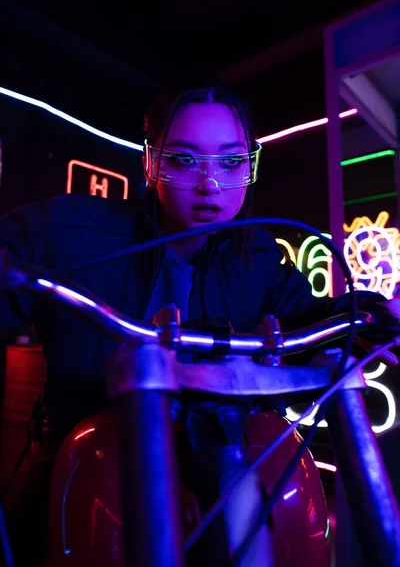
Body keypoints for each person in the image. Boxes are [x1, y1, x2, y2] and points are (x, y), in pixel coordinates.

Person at [0, 83, 399, 566]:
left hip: (219, 454)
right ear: (150, 163)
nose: (210, 184)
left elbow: (314, 315)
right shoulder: (71, 232)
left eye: (230, 162)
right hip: (81, 452)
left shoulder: (258, 258)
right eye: (186, 160)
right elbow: (15, 254)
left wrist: (376, 313)